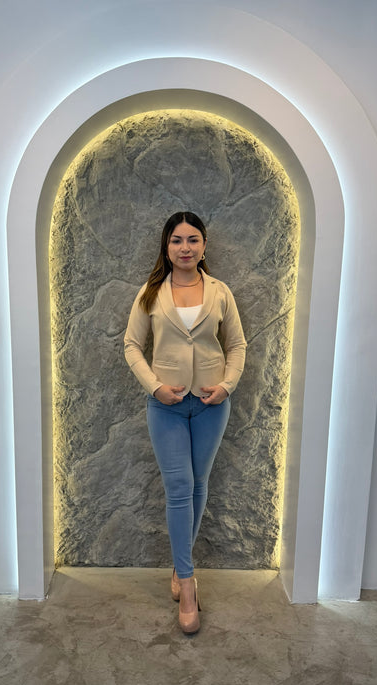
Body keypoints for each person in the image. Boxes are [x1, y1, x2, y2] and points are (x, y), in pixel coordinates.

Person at [124, 211, 246, 634]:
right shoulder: (151, 293)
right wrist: (155, 386)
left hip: (212, 404)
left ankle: (180, 566)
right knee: (178, 488)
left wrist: (227, 386)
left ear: (204, 245)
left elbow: (237, 344)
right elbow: (132, 345)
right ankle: (188, 584)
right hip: (167, 406)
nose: (185, 247)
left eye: (193, 239)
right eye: (177, 240)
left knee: (198, 484)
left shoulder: (220, 292)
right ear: (166, 246)